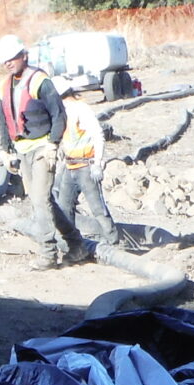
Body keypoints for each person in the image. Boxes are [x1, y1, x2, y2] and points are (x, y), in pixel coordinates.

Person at [0, 34, 76, 269]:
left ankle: (48, 253)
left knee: (39, 200)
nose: (8, 63)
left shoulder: (39, 81)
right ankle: (75, 244)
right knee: (42, 200)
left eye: (12, 58)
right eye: (5, 60)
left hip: (42, 148)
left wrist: (52, 144)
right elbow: (3, 118)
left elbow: (59, 114)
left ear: (24, 56)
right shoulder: (4, 86)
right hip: (22, 150)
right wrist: (5, 150)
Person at [51, 72, 127, 255]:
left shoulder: (79, 109)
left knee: (97, 208)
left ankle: (114, 244)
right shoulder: (63, 112)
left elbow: (97, 135)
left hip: (86, 166)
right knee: (64, 208)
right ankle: (71, 246)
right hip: (70, 166)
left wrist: (97, 163)